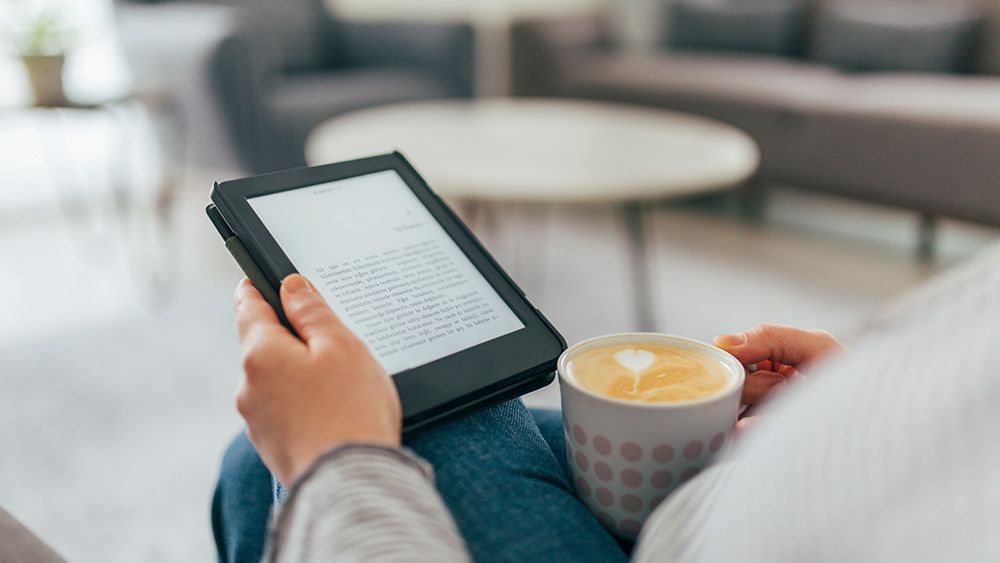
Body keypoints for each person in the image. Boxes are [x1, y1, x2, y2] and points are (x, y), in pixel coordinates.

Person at [213, 270, 1000, 562]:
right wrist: (860, 403)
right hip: (724, 499)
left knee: (335, 431)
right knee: (254, 465)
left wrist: (342, 463)